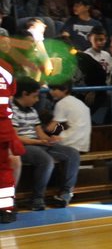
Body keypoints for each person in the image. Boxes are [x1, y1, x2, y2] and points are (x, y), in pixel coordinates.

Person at [12, 77, 80, 209]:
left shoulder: (32, 110)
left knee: (72, 154)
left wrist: (49, 139)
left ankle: (66, 193)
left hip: (37, 144)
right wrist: (38, 141)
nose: (37, 100)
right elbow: (15, 137)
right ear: (24, 94)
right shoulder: (12, 110)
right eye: (34, 96)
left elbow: (39, 131)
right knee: (46, 160)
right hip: (23, 146)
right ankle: (37, 198)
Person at [0, 26, 21, 223]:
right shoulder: (7, 68)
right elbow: (11, 93)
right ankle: (6, 209)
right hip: (4, 126)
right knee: (4, 167)